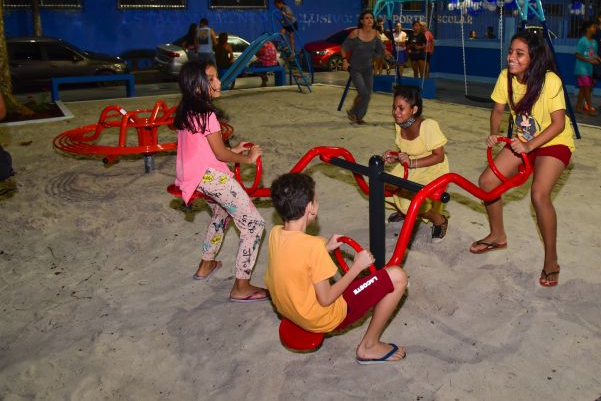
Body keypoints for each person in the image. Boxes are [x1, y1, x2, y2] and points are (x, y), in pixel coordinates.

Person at [266, 172, 408, 364]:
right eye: (316, 200)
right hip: (323, 317)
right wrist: (356, 268)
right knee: (397, 276)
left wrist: (325, 248)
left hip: (290, 310)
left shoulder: (276, 233)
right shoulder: (313, 247)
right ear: (311, 208)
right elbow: (326, 299)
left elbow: (296, 257)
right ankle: (369, 346)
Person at [470, 31, 575, 289]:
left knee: (539, 195)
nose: (511, 58)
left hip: (554, 141)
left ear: (534, 57)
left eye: (519, 54)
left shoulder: (550, 81)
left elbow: (558, 123)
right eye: (511, 52)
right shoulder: (506, 78)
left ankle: (551, 260)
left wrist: (529, 145)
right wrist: (494, 134)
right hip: (523, 140)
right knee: (487, 181)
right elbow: (497, 110)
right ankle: (497, 234)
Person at [173, 60, 269, 303]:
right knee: (254, 225)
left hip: (192, 177)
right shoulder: (207, 114)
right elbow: (220, 155)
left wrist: (232, 149)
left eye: (217, 77)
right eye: (212, 79)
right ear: (197, 86)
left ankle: (206, 264)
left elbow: (204, 147)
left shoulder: (187, 110)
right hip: (210, 177)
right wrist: (247, 158)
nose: (218, 82)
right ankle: (242, 286)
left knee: (222, 214)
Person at [382, 85, 450, 241]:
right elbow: (406, 151)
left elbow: (439, 156)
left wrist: (411, 162)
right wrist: (394, 156)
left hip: (432, 167)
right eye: (394, 107)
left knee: (411, 203)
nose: (396, 112)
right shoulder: (400, 124)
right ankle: (403, 210)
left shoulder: (428, 126)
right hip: (411, 165)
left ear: (414, 109)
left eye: (401, 108)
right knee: (381, 188)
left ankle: (439, 220)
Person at [342, 10, 394, 125]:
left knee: (368, 94)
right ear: (361, 21)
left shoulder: (376, 33)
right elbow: (344, 47)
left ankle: (358, 116)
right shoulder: (355, 33)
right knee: (363, 92)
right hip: (355, 69)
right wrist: (345, 61)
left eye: (371, 18)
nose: (370, 20)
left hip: (368, 69)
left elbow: (381, 49)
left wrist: (389, 55)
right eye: (367, 18)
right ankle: (354, 112)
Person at [574, 20, 601, 115]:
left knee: (583, 89)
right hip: (581, 69)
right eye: (593, 27)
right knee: (587, 89)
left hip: (589, 69)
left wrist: (599, 60)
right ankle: (590, 108)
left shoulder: (594, 42)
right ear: (587, 29)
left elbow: (594, 54)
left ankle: (577, 107)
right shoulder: (582, 41)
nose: (595, 29)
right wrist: (589, 60)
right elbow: (577, 54)